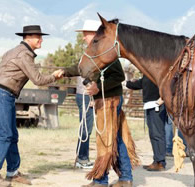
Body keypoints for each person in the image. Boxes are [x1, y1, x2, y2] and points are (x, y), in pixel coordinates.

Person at [57, 20, 140, 187]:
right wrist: (65, 71)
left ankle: (101, 180)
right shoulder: (94, 53)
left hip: (110, 100)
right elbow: (81, 68)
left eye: (85, 34)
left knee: (106, 140)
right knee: (116, 139)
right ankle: (125, 178)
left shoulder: (107, 52)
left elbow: (119, 77)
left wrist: (98, 87)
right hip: (105, 100)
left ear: (94, 34)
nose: (83, 38)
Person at [0, 25, 62, 187]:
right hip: (3, 95)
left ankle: (12, 173)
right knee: (5, 134)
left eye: (41, 36)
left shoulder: (14, 51)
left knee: (11, 135)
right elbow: (38, 80)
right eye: (38, 37)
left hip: (4, 94)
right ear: (28, 38)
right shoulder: (24, 54)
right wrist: (54, 76)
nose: (41, 39)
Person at [74, 20, 101, 169]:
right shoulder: (90, 53)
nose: (84, 37)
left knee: (86, 127)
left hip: (86, 93)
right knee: (86, 127)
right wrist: (91, 92)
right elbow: (85, 74)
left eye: (86, 34)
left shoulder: (92, 52)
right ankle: (82, 159)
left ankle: (82, 157)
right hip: (86, 94)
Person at [126, 75, 167, 171]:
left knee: (158, 133)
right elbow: (141, 83)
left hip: (157, 104)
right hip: (149, 105)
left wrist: (162, 99)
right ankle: (156, 160)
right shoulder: (147, 73)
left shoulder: (158, 69)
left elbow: (168, 84)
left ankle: (161, 162)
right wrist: (127, 83)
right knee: (153, 134)